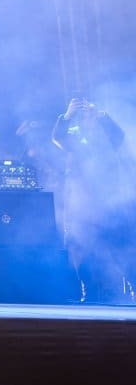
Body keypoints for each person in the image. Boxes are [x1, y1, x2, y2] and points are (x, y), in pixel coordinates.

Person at [52, 97, 134, 303]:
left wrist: (101, 117)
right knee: (82, 252)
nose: (86, 117)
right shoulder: (73, 137)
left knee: (122, 251)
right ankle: (88, 295)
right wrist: (67, 116)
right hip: (83, 208)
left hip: (109, 205)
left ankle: (127, 293)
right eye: (83, 115)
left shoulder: (105, 137)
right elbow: (58, 137)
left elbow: (119, 136)